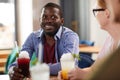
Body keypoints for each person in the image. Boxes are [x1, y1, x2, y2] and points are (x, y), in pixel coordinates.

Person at [8, 2, 80, 80]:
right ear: (40, 20)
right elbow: (19, 61)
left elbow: (69, 65)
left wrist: (38, 69)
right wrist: (12, 71)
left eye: (53, 17)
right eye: (44, 17)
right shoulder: (33, 37)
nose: (48, 20)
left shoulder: (70, 37)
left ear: (62, 21)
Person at [58, 0, 120, 79]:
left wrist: (83, 75)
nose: (95, 16)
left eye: (95, 11)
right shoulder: (110, 39)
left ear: (107, 13)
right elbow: (95, 69)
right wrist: (75, 73)